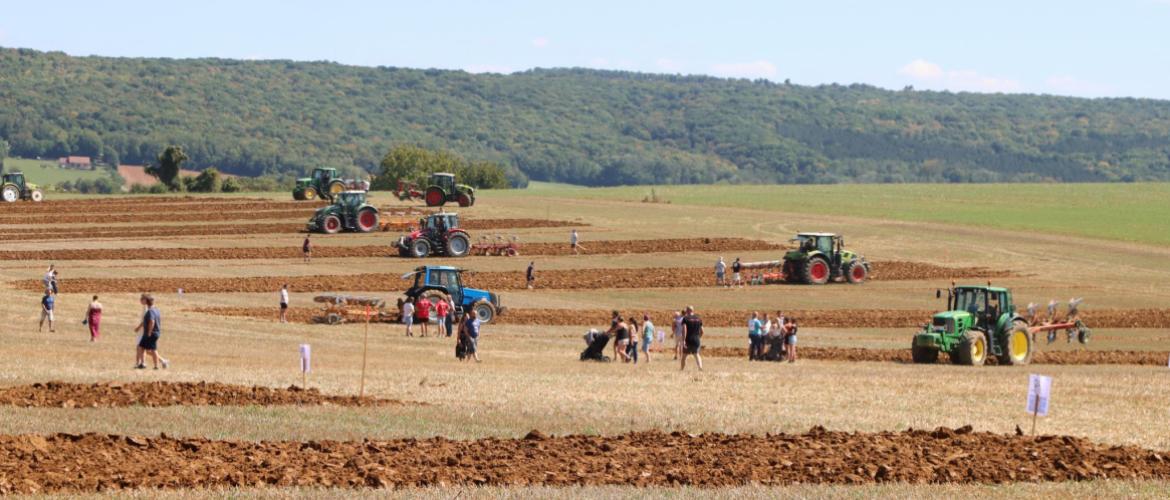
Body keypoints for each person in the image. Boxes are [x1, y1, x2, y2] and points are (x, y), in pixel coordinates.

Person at [133, 294, 168, 370]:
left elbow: (152, 321)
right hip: (156, 332)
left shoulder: (150, 311)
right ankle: (153, 365)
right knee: (149, 349)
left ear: (146, 302)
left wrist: (149, 332)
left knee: (143, 347)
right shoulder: (157, 310)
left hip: (150, 333)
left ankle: (147, 364)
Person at [681, 306, 704, 371]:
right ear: (692, 310)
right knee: (696, 354)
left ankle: (682, 369)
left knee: (684, 356)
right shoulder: (698, 318)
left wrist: (684, 340)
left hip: (688, 339)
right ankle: (700, 367)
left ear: (687, 311)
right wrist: (698, 337)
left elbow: (684, 329)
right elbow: (702, 331)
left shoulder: (685, 319)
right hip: (696, 339)